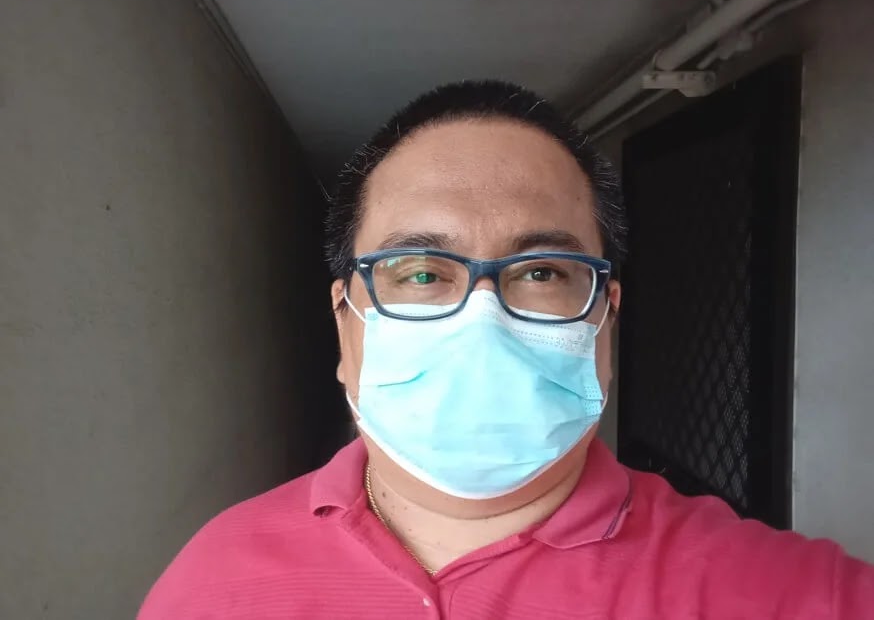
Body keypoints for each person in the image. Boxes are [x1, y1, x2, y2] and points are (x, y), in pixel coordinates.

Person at [138, 81, 873, 619]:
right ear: (345, 322)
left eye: (542, 271)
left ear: (605, 318)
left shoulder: (788, 594)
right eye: (420, 272)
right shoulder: (211, 583)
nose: (481, 319)